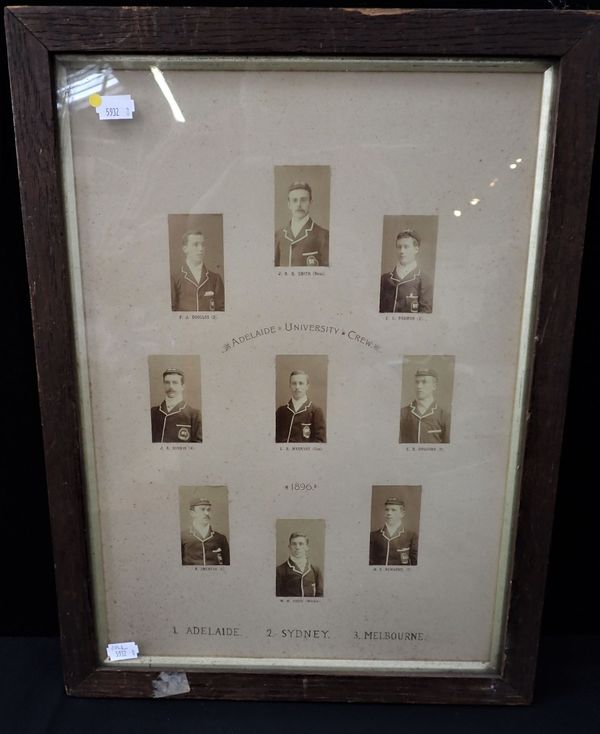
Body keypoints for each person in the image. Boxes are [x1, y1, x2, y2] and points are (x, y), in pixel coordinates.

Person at [274, 181, 329, 267]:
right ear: (289, 204)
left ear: (310, 202)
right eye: (294, 200)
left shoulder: (323, 236)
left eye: (303, 200)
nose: (298, 204)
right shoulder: (278, 236)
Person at [379, 229, 433, 313]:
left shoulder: (425, 280)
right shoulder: (384, 279)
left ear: (416, 249)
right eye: (399, 247)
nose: (401, 251)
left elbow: (425, 318)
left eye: (406, 247)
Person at [171, 230, 225, 311]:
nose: (200, 249)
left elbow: (222, 311)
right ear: (185, 249)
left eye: (202, 245)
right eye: (195, 245)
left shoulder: (215, 279)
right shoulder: (174, 278)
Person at [150, 368, 202, 443]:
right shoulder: (153, 412)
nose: (171, 387)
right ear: (164, 385)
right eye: (167, 382)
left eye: (175, 383)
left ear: (183, 386)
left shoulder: (194, 415)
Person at [399, 368, 450, 443]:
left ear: (434, 386)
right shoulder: (402, 413)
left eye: (424, 382)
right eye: (417, 382)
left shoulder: (444, 416)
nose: (419, 386)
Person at [275, 370, 326, 443]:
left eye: (301, 383)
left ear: (307, 386)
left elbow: (320, 442)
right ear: (289, 385)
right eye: (294, 383)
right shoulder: (281, 411)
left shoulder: (316, 411)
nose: (297, 387)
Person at [369, 498, 418, 566]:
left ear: (402, 514)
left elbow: (414, 563)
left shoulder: (412, 536)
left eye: (393, 510)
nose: (389, 513)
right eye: (387, 510)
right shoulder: (373, 536)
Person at [181, 498, 230, 566]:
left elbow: (227, 566)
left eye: (208, 510)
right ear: (192, 513)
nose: (207, 513)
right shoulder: (182, 537)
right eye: (202, 509)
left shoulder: (221, 538)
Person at [276, 532, 323, 597]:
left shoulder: (315, 570)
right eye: (294, 544)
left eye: (301, 544)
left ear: (307, 547)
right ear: (289, 547)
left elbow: (320, 595)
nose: (297, 547)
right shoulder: (280, 570)